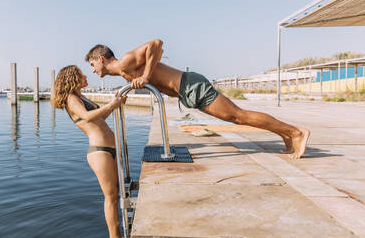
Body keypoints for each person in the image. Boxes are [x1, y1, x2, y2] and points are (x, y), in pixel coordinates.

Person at [85, 40, 310, 159]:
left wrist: (144, 76)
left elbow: (156, 43)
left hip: (190, 85)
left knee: (238, 117)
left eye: (93, 65)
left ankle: (296, 132)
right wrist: (124, 91)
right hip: (187, 90)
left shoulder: (125, 62)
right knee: (237, 117)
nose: (93, 71)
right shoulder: (124, 72)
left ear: (102, 59)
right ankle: (286, 135)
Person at [51, 65, 127, 238]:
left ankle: (118, 236)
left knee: (116, 194)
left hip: (108, 149)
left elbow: (101, 116)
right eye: (81, 74)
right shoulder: (71, 99)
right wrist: (111, 105)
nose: (86, 76)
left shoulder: (81, 97)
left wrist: (115, 102)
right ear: (72, 78)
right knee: (110, 197)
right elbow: (86, 116)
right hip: (99, 151)